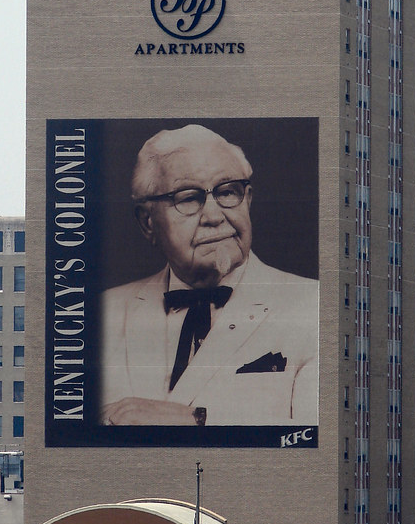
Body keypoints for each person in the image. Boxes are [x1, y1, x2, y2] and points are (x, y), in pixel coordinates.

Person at [99, 124, 318, 427]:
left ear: (248, 200)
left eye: (228, 192)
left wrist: (196, 419)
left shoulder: (316, 307)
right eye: (188, 198)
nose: (215, 217)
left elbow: (319, 442)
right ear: (148, 223)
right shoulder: (101, 314)